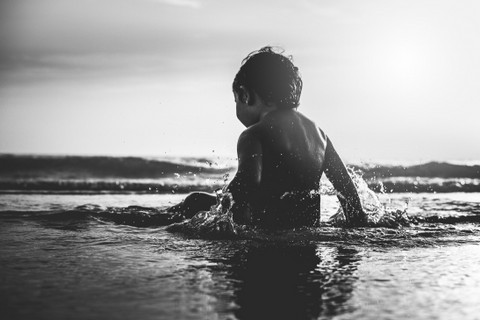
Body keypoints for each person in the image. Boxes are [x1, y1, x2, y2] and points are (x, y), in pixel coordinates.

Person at [168, 46, 367, 228]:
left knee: (195, 201)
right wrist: (357, 226)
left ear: (245, 95)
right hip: (306, 246)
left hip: (267, 237)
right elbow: (347, 190)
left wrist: (221, 217)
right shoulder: (319, 135)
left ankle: (147, 220)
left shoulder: (254, 134)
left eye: (236, 101)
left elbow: (246, 186)